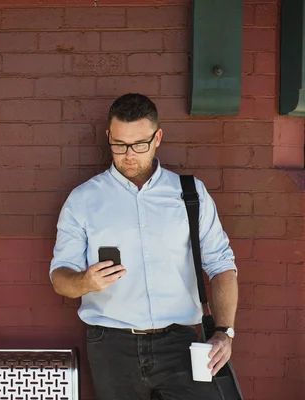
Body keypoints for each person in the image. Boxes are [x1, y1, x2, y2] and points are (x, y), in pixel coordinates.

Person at [49, 93, 238, 400]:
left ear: (158, 137)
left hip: (181, 344)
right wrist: (86, 281)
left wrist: (224, 332)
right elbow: (60, 278)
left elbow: (221, 265)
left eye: (139, 144)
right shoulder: (83, 200)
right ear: (109, 136)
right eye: (120, 144)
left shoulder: (189, 193)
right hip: (112, 345)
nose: (129, 155)